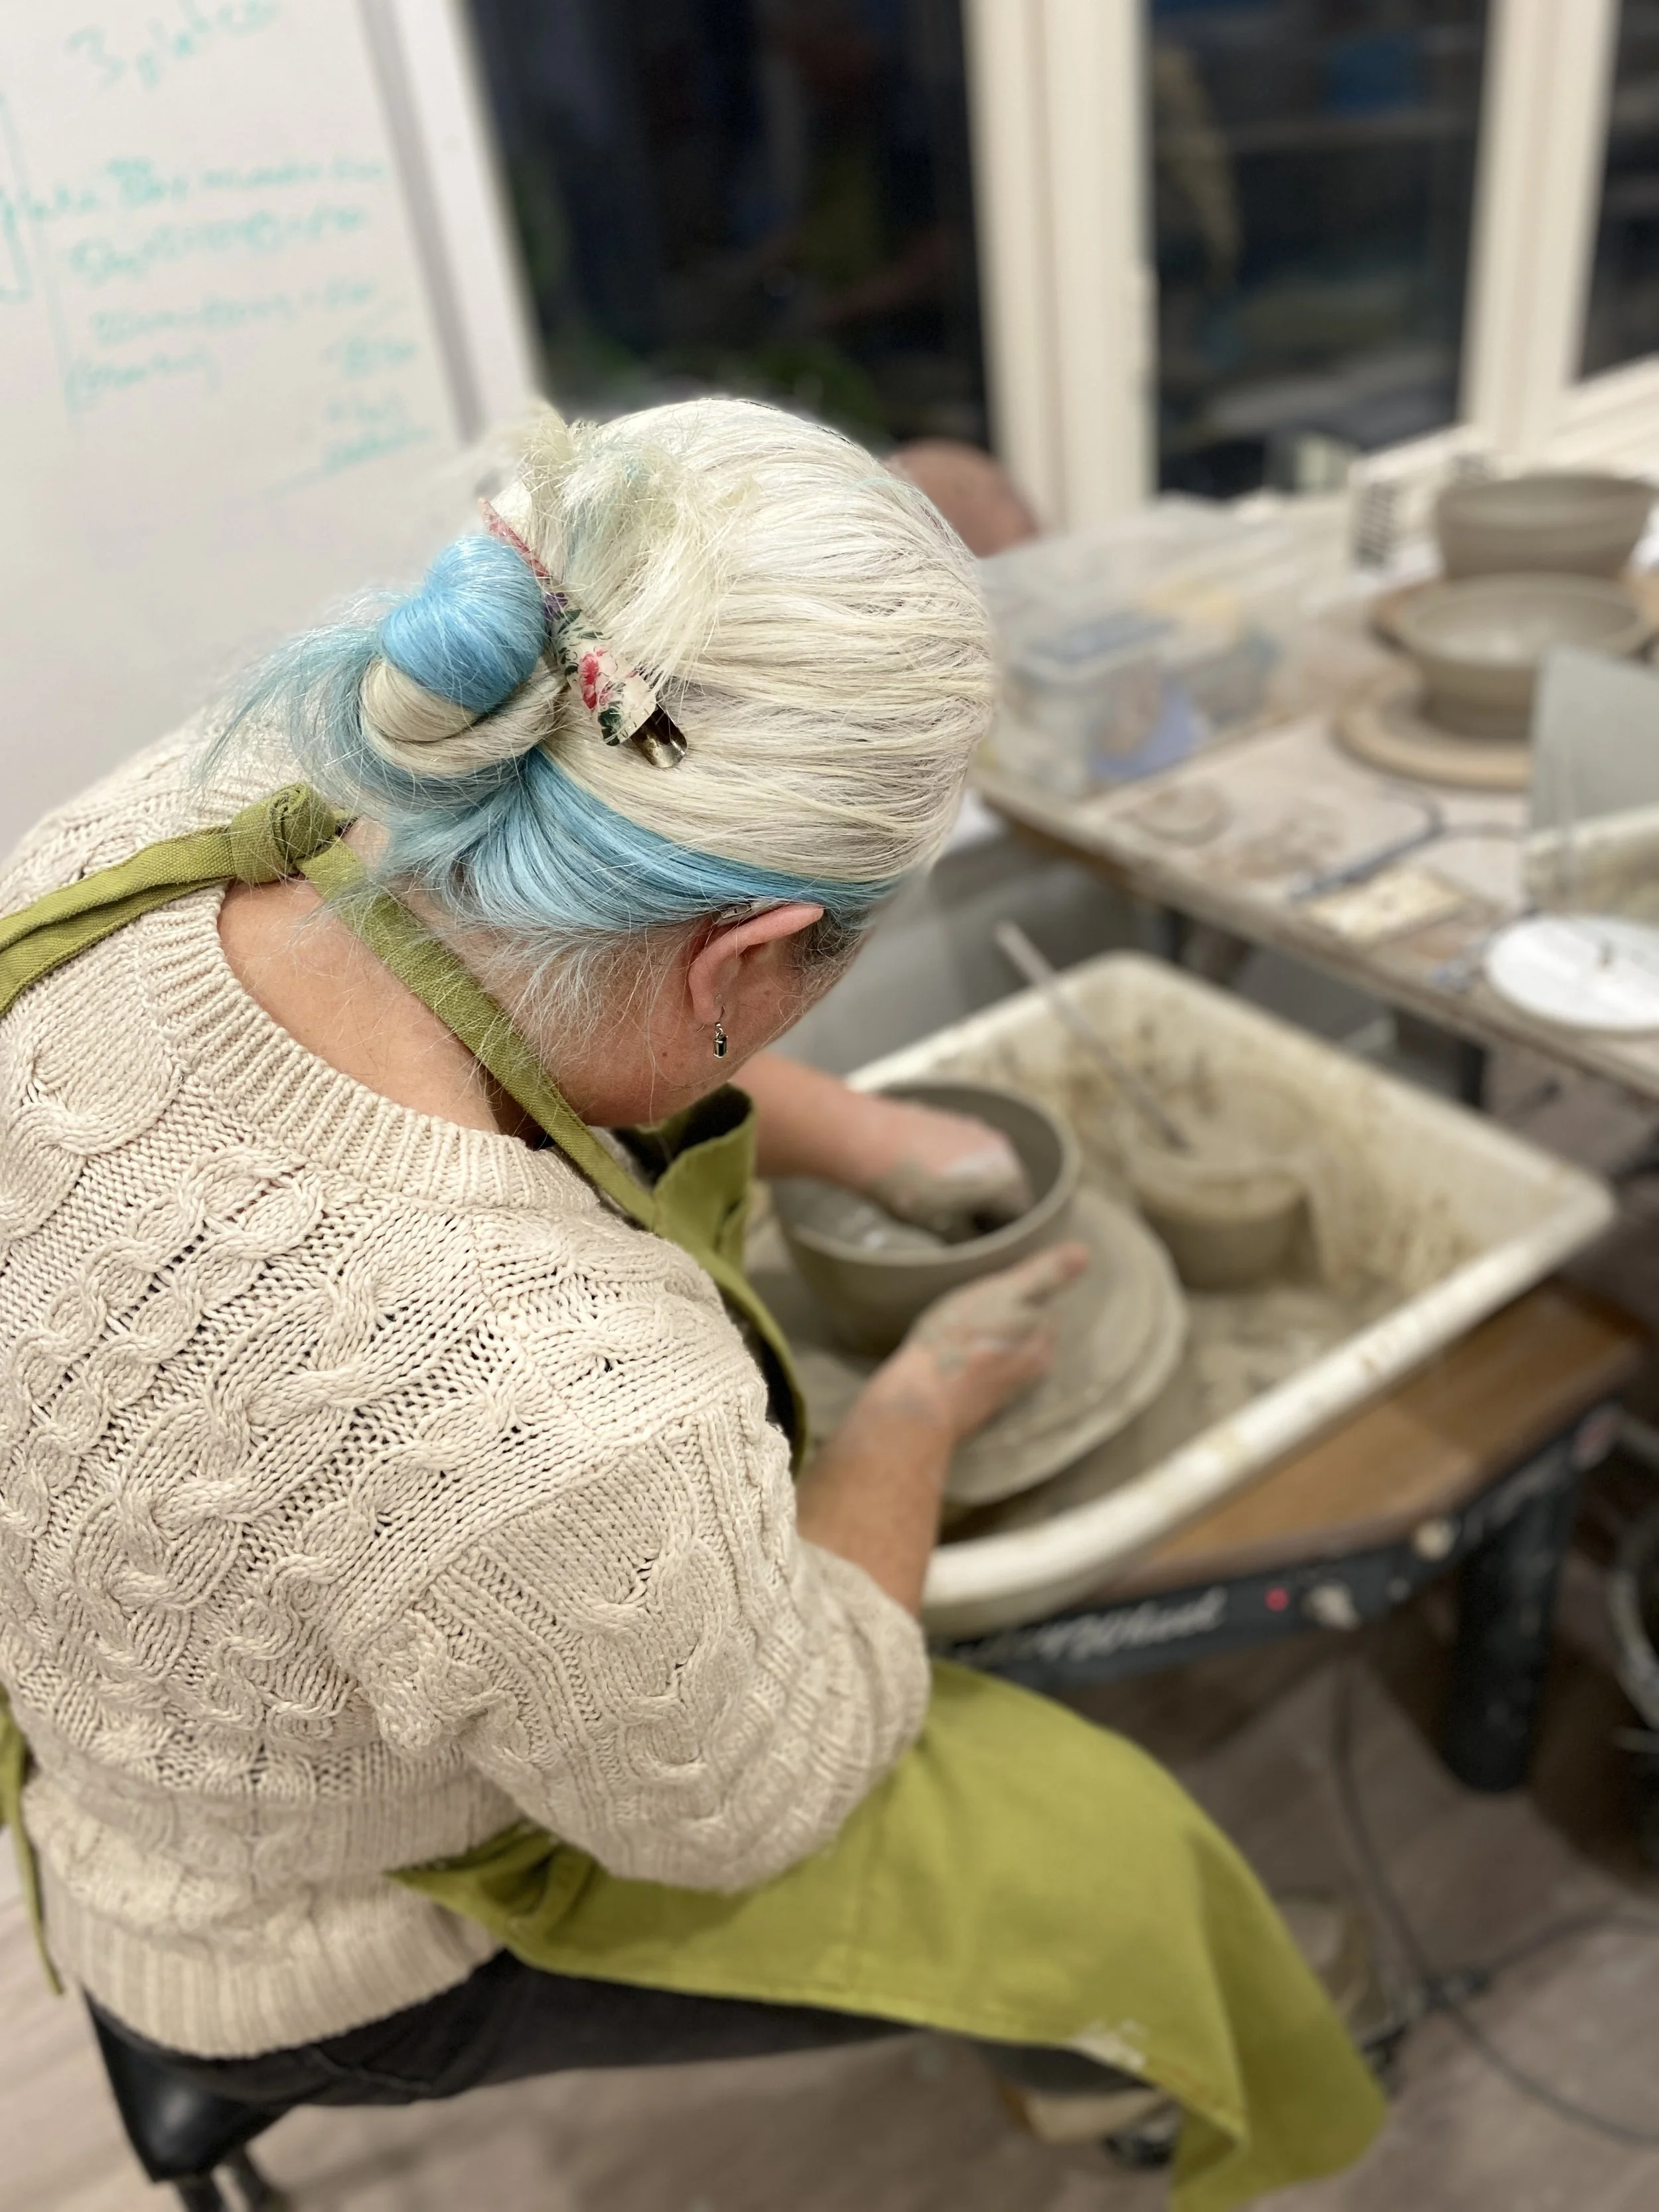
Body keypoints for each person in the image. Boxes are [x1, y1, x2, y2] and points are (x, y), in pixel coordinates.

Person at [0, 397, 1381, 2206]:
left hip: (116, 1665)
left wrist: (862, 1133)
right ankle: (1087, 2065)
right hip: (302, 1938)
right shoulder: (543, 1388)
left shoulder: (215, 794)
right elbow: (751, 1789)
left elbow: (509, 978)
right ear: (739, 957)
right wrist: (905, 1416)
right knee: (1111, 1847)